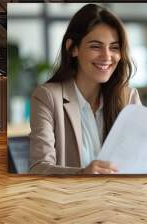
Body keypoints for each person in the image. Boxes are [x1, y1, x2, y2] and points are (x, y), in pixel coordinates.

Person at [29, 4, 141, 175]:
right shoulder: (47, 97)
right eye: (96, 46)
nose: (107, 56)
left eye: (114, 47)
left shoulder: (128, 97)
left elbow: (140, 159)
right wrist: (81, 175)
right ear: (72, 48)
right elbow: (38, 168)